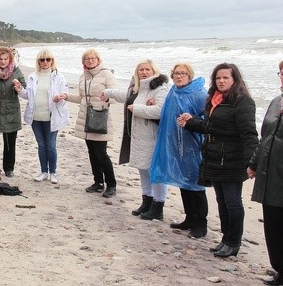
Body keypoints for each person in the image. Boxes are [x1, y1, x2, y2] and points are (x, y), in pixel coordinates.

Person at [178, 62, 258, 258]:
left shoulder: (242, 101)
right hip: (214, 157)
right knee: (221, 201)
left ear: (235, 79)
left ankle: (233, 242)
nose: (221, 81)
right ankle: (225, 239)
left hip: (233, 159)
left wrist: (252, 162)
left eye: (226, 78)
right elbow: (210, 126)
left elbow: (249, 134)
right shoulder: (214, 99)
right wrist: (190, 123)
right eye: (218, 78)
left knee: (233, 202)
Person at [102, 59, 168, 219]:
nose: (144, 72)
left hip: (152, 137)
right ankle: (147, 200)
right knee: (142, 168)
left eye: (147, 69)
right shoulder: (137, 88)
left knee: (156, 172)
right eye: (141, 70)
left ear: (154, 71)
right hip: (137, 136)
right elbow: (124, 96)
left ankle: (158, 206)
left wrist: (137, 109)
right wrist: (107, 93)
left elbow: (161, 111)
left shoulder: (160, 88)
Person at [149, 63, 209, 238]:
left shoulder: (199, 94)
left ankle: (201, 224)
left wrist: (192, 120)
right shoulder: (173, 92)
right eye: (176, 73)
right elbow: (167, 116)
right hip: (176, 145)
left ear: (189, 75)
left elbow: (208, 120)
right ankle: (190, 218)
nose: (179, 76)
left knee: (196, 186)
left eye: (182, 73)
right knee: (184, 183)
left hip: (193, 147)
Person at [59, 48, 117, 196]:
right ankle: (98, 182)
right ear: (83, 62)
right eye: (87, 59)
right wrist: (66, 96)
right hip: (86, 118)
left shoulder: (106, 74)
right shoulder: (83, 76)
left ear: (98, 60)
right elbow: (82, 98)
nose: (90, 61)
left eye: (93, 58)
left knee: (101, 153)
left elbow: (115, 96)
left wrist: (107, 97)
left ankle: (111, 184)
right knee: (92, 152)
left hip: (99, 118)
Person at [247, 61, 283, 285]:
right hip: (270, 174)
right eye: (282, 72)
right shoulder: (275, 102)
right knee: (273, 224)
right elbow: (265, 137)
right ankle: (279, 269)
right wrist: (253, 163)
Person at [18, 49, 69, 184]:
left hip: (52, 117)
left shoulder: (59, 77)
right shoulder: (33, 76)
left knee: (51, 145)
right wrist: (19, 90)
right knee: (41, 145)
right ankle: (43, 171)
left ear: (52, 61)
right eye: (42, 60)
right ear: (38, 62)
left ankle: (53, 172)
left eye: (48, 59)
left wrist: (60, 98)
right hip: (36, 117)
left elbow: (64, 94)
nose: (45, 62)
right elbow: (28, 95)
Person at [0, 46, 26, 177]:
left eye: (5, 59)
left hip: (11, 109)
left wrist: (19, 86)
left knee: (9, 142)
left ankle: (9, 168)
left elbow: (24, 86)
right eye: (0, 59)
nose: (3, 61)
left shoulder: (16, 70)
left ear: (10, 59)